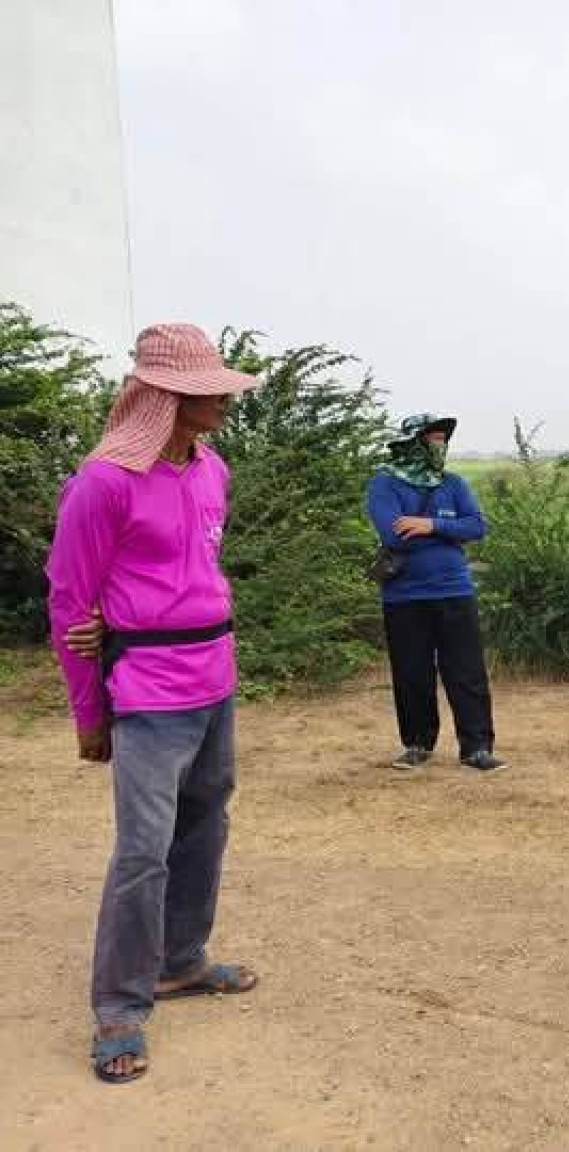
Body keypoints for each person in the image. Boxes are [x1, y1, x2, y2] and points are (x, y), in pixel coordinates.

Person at [46, 323, 262, 1084]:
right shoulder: (103, 482)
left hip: (214, 677)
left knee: (206, 823)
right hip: (148, 688)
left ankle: (180, 960)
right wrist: (88, 712)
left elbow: (197, 572)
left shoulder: (211, 468)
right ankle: (118, 1007)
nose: (223, 402)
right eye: (208, 392)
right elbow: (69, 601)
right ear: (164, 396)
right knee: (143, 850)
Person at [367, 413, 504, 772]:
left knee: (467, 671)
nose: (440, 447)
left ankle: (477, 748)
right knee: (411, 673)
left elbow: (477, 526)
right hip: (404, 595)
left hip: (455, 589)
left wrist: (430, 524)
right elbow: (393, 534)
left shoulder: (453, 483)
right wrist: (450, 529)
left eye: (443, 440)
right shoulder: (384, 484)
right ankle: (417, 744)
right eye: (433, 440)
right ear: (413, 442)